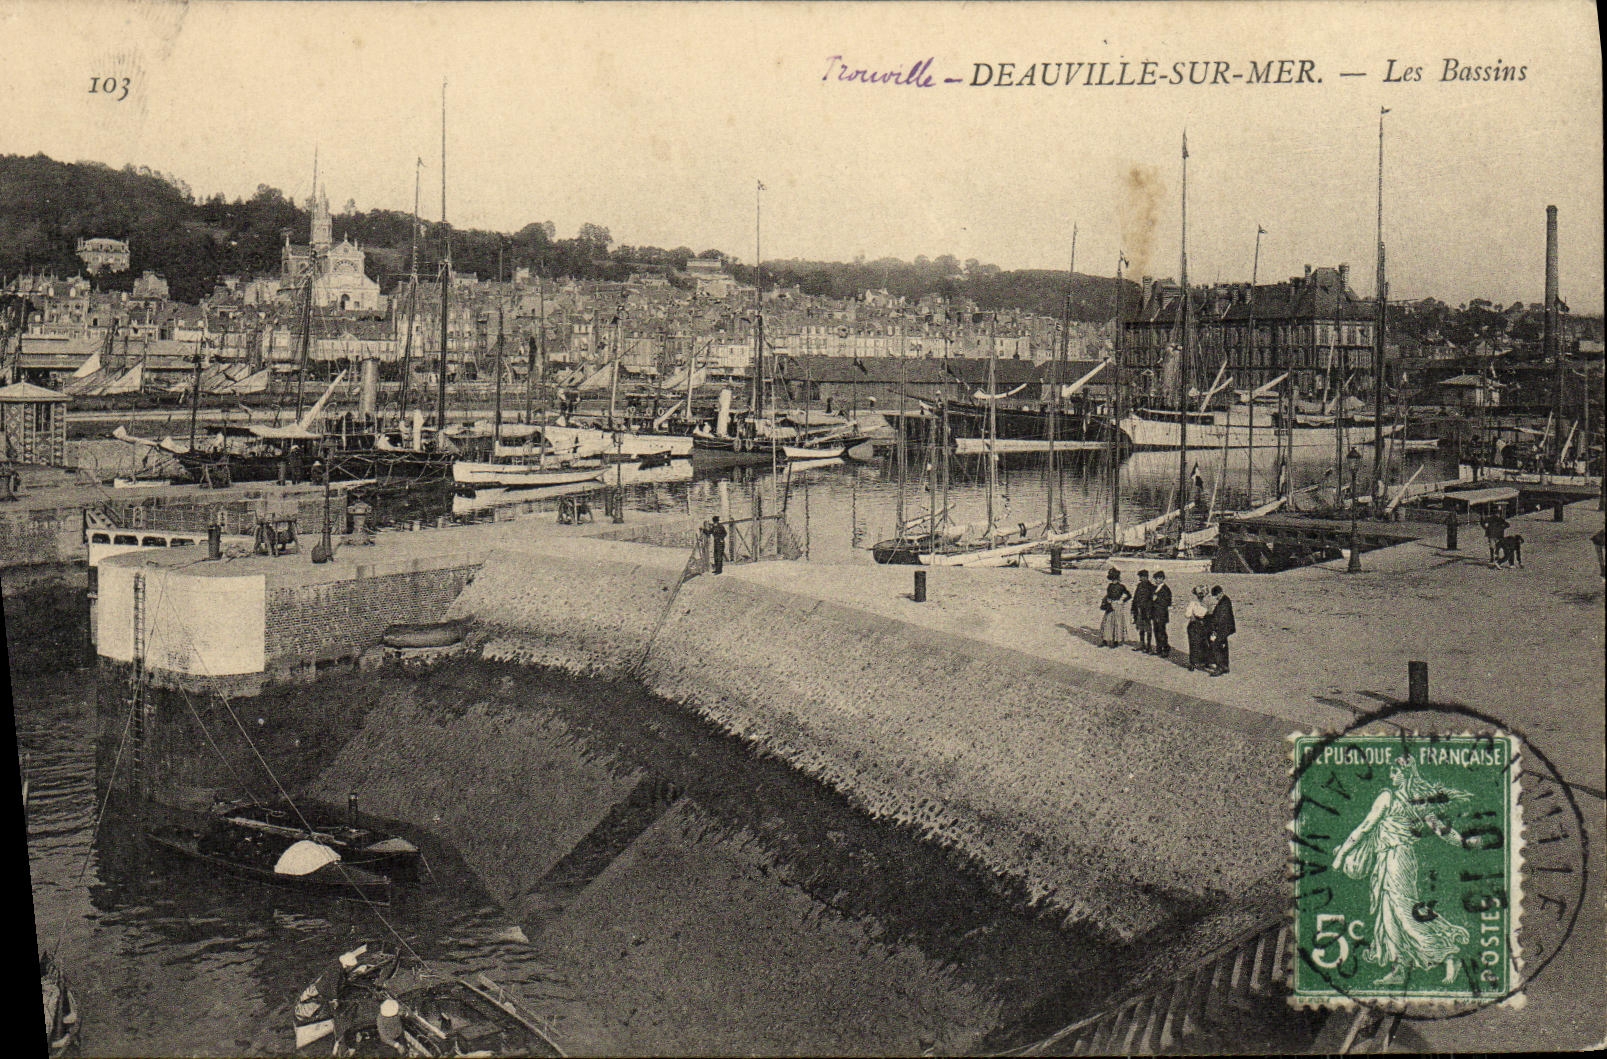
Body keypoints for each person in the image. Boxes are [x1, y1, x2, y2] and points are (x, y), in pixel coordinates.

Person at [1330, 756, 1473, 986]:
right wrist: (1464, 841)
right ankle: (1400, 968)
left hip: (1396, 859)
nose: (1391, 776)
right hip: (1392, 859)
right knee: (1389, 914)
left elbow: (1366, 827)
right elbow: (1442, 831)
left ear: (1406, 774)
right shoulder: (1417, 801)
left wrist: (1341, 855)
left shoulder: (1391, 797)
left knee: (1404, 911)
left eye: (1395, 772)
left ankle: (1448, 955)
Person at [1099, 569, 1131, 648]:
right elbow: (1108, 595)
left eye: (1114, 579)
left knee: (1117, 623)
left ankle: (1116, 641)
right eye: (1112, 579)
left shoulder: (1121, 586)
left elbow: (1129, 595)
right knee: (1107, 622)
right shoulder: (1110, 586)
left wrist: (1122, 600)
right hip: (1110, 606)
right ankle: (1105, 640)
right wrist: (1107, 600)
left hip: (1118, 606)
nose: (1113, 580)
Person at [1185, 585, 1214, 672]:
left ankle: (1206, 662)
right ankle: (1192, 663)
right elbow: (1187, 613)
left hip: (1205, 624)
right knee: (1194, 643)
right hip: (1194, 625)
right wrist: (1192, 616)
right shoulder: (1193, 603)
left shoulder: (1208, 603)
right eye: (1199, 594)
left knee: (1205, 643)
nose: (1200, 596)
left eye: (1202, 594)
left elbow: (1210, 613)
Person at [1209, 585, 1236, 675]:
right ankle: (1225, 666)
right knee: (1223, 647)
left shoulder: (1223, 603)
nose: (1215, 598)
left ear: (1220, 593)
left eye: (1216, 595)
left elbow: (1220, 618)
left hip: (1222, 628)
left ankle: (1220, 667)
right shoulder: (1225, 600)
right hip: (1225, 628)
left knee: (1216, 646)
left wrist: (1215, 629)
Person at [1131, 570, 1155, 653]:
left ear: (1146, 577)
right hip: (1139, 610)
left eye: (1141, 577)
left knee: (1148, 628)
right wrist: (1133, 609)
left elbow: (1152, 601)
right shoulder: (1139, 586)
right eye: (1140, 577)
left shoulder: (1151, 587)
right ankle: (1142, 644)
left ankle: (1148, 646)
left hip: (1147, 611)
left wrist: (1150, 611)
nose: (1140, 579)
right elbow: (1135, 598)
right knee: (1140, 627)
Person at [1150, 571, 1173, 659]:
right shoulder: (1155, 588)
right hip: (1155, 613)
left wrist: (1157, 599)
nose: (1157, 580)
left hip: (1161, 614)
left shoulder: (1166, 589)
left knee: (1162, 631)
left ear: (1163, 579)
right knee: (1156, 631)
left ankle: (1165, 649)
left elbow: (1168, 602)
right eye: (1156, 578)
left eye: (1159, 578)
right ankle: (1159, 648)